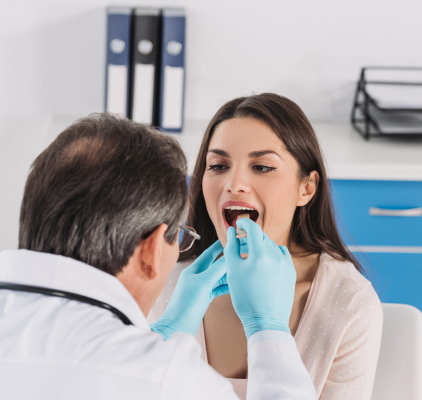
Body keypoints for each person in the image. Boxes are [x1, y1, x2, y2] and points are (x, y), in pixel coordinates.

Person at [0, 113, 317, 399]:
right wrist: (269, 330)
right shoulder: (171, 382)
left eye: (261, 167)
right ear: (152, 251)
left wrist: (165, 332)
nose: (235, 185)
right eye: (178, 234)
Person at [149, 93, 383, 399]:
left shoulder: (349, 302)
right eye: (218, 166)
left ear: (307, 188)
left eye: (261, 167)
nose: (234, 183)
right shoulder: (167, 286)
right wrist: (161, 339)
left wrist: (266, 327)